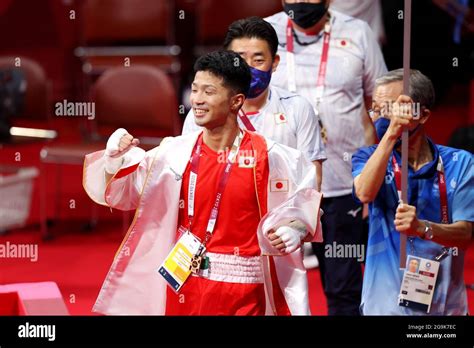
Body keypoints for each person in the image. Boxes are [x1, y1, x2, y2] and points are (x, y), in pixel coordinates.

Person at [83, 50, 323, 315]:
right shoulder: (173, 153)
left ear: (236, 101)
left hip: (244, 292)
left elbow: (306, 202)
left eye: (208, 92)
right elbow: (122, 195)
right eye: (195, 90)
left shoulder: (271, 156)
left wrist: (297, 229)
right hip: (184, 284)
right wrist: (113, 162)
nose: (197, 99)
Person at [266, 0, 388, 315]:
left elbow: (380, 103)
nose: (300, 3)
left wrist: (372, 177)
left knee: (343, 287)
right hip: (276, 187)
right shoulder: (265, 32)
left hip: (341, 184)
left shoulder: (358, 32)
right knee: (269, 286)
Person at [352, 69, 473, 315]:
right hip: (384, 306)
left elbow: (465, 236)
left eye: (392, 108)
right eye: (377, 109)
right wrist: (391, 133)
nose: (381, 116)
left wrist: (423, 228)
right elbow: (364, 193)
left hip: (445, 307)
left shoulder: (461, 163)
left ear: (423, 115)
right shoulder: (367, 157)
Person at [183, 16, 326, 192]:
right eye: (239, 60)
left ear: (274, 63)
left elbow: (311, 181)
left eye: (258, 60)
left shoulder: (298, 109)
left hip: (280, 214)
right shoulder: (201, 113)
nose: (248, 69)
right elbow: (190, 176)